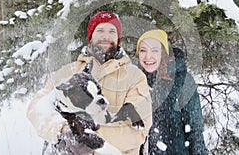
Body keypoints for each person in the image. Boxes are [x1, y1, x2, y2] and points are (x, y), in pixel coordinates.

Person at [27, 11, 152, 155]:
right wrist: (65, 130)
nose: (106, 36)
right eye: (100, 30)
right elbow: (37, 109)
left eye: (112, 31)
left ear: (118, 38)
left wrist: (88, 138)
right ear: (90, 36)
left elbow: (138, 133)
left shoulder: (135, 77)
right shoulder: (69, 72)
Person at [136, 29, 207, 155]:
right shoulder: (135, 80)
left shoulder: (182, 80)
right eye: (143, 50)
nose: (148, 56)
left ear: (163, 53)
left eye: (155, 50)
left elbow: (195, 129)